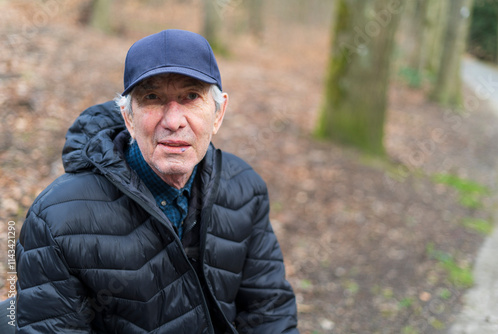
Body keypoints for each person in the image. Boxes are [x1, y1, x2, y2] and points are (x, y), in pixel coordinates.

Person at [15, 29, 299, 333]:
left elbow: (269, 314)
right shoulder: (56, 220)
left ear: (218, 113)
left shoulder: (244, 188)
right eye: (152, 97)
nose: (173, 121)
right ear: (128, 117)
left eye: (191, 97)